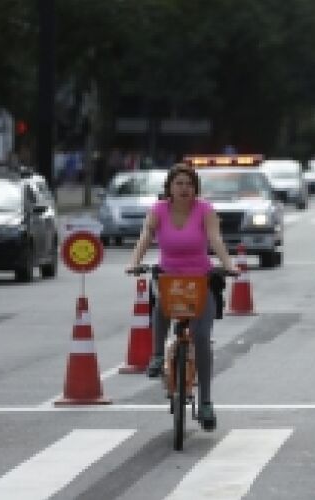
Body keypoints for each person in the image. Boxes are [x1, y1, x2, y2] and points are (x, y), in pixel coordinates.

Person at [126, 164, 238, 430]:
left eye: (189, 184)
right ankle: (156, 356)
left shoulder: (205, 210)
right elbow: (145, 237)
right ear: (169, 188)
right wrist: (134, 262)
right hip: (169, 277)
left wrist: (228, 264)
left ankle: (207, 402)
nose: (184, 189)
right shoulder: (158, 211)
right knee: (161, 302)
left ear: (195, 188)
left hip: (201, 279)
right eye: (179, 184)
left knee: (201, 337)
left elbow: (215, 239)